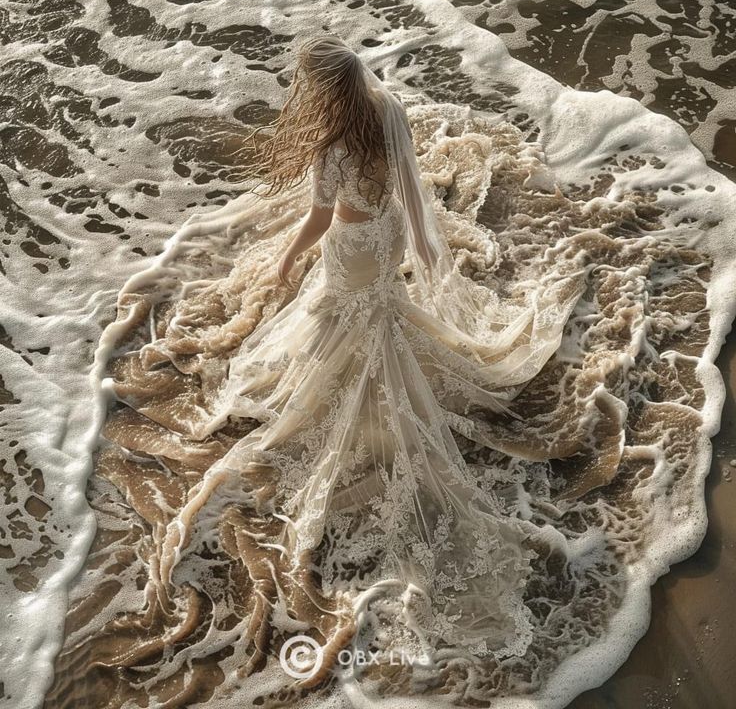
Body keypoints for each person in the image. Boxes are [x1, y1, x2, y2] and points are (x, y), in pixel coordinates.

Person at [150, 35, 586, 681]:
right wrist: (429, 257)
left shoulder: (333, 150)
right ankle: (383, 401)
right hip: (385, 244)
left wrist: (287, 259)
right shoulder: (389, 114)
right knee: (385, 322)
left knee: (335, 334)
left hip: (351, 249)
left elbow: (321, 220)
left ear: (328, 91)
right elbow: (412, 200)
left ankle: (355, 423)